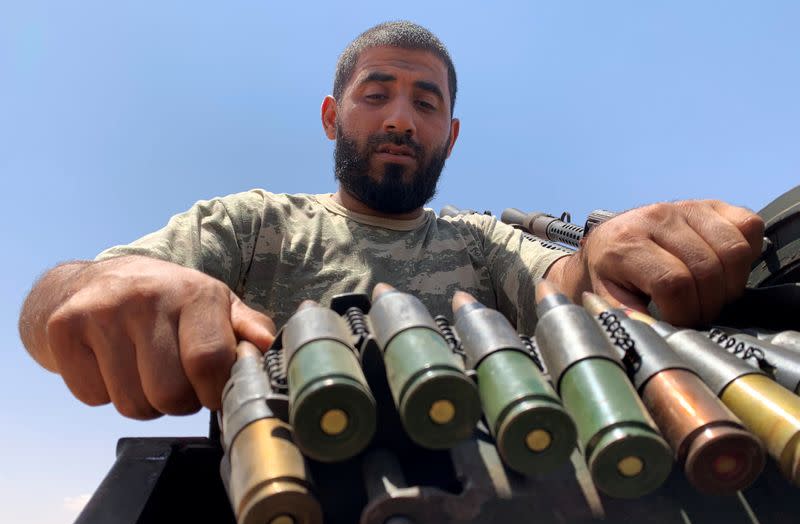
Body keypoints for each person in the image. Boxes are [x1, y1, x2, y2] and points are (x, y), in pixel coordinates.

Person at [19, 21, 764, 422]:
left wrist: (612, 247)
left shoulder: (477, 240)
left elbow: (568, 280)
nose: (402, 120)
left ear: (452, 133)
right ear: (331, 116)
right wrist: (106, 289)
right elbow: (63, 298)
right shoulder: (255, 224)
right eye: (377, 95)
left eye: (427, 103)